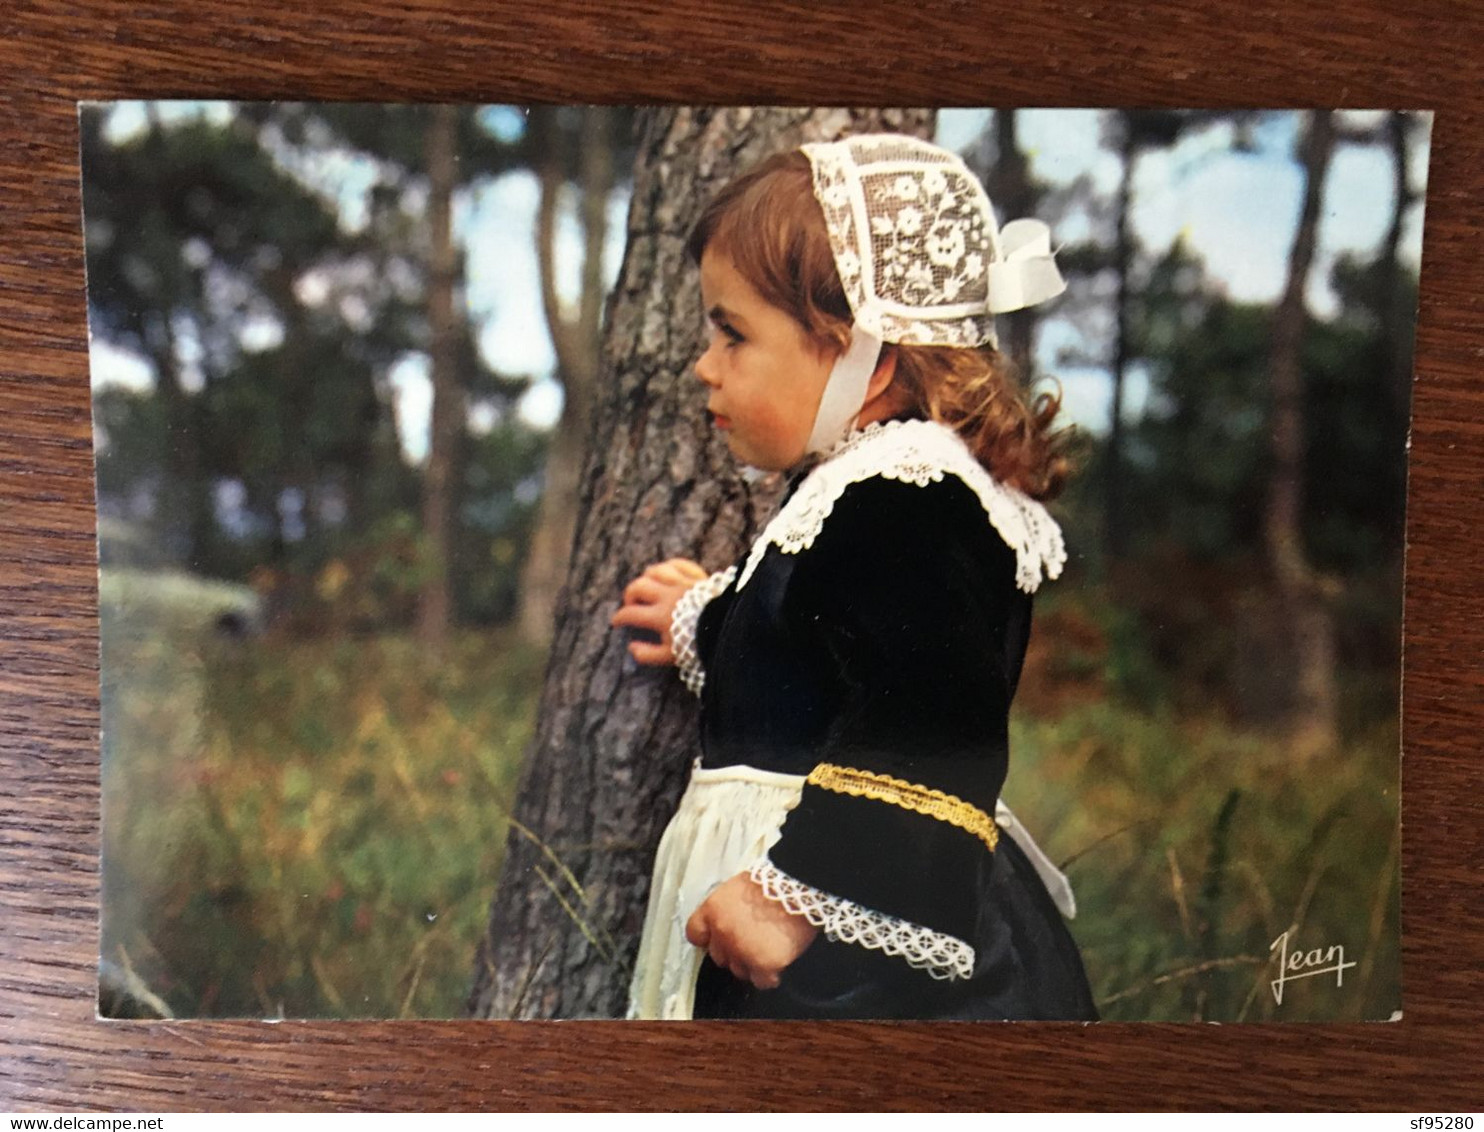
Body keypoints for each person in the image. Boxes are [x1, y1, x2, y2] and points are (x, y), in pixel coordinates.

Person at [613, 134, 1097, 1021]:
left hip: (853, 952)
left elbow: (933, 702)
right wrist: (703, 618)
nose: (702, 365)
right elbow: (813, 642)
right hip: (812, 933)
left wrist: (787, 894)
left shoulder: (913, 494)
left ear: (863, 360)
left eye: (732, 335)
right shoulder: (860, 491)